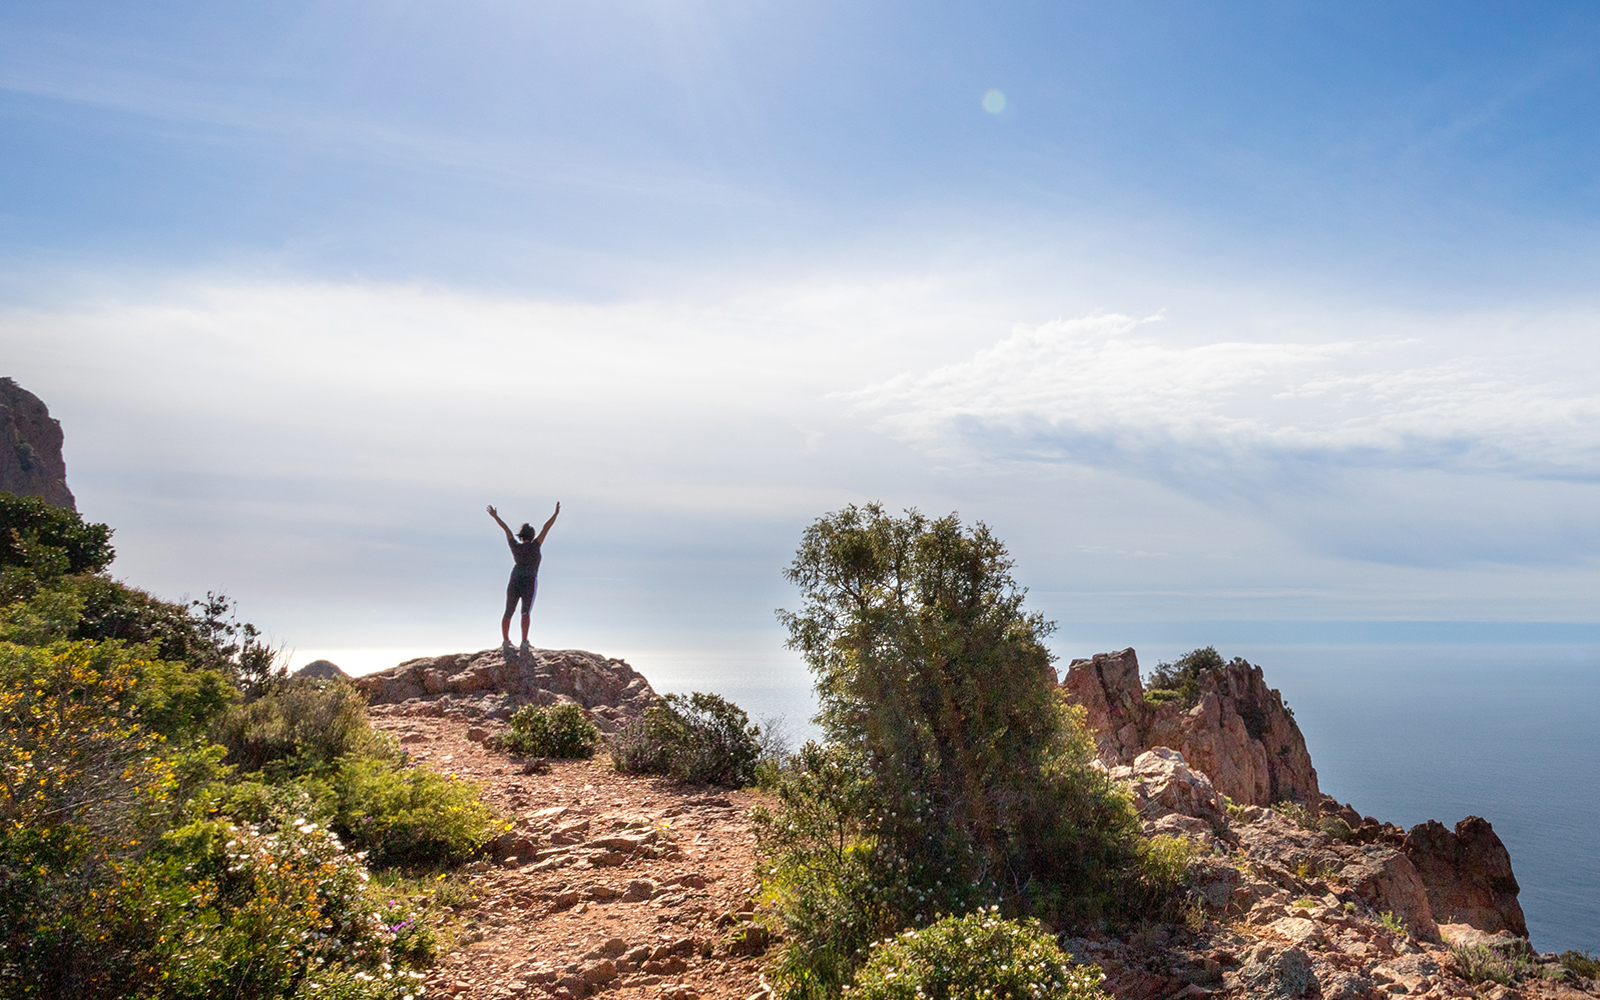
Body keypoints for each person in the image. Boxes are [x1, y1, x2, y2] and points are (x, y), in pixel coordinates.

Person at [487, 502, 559, 655]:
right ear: (532, 536)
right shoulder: (535, 546)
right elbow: (546, 527)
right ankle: (524, 642)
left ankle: (506, 642)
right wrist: (555, 514)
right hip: (529, 581)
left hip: (515, 579)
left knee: (508, 611)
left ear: (521, 537)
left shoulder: (515, 546)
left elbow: (506, 529)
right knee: (525, 612)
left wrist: (495, 516)